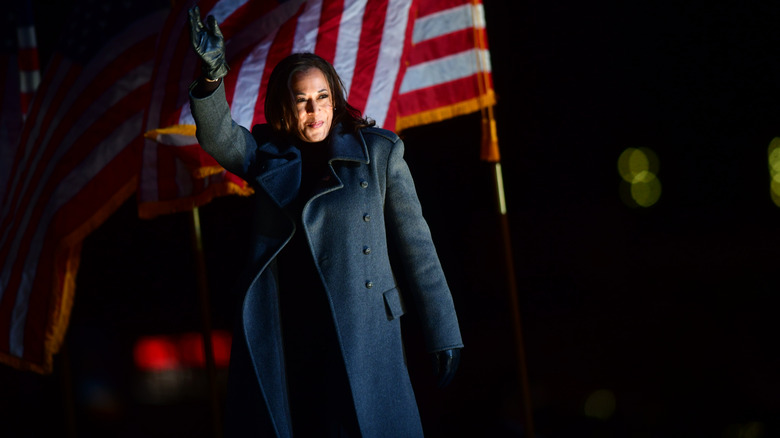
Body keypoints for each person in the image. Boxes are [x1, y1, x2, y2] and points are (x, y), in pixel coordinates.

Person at [188, 7, 463, 437]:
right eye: (301, 100)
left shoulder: (379, 153)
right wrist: (211, 80)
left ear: (335, 100)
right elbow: (218, 135)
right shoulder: (267, 158)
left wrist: (443, 330)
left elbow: (419, 251)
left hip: (367, 331)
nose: (314, 111)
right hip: (294, 334)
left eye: (323, 98)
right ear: (285, 107)